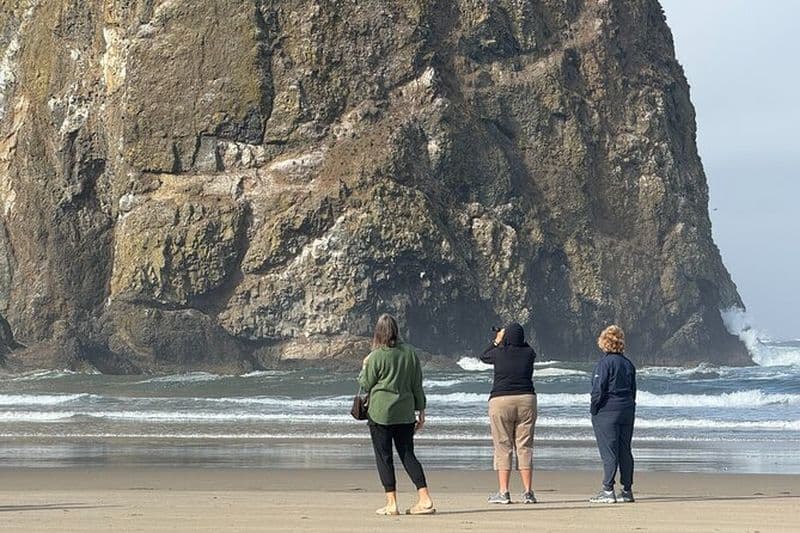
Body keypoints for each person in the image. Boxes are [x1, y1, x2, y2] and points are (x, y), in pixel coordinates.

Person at [358, 313, 435, 516]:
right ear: (396, 330)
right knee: (408, 454)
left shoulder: (376, 356)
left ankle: (391, 503)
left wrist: (364, 366)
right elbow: (417, 385)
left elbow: (365, 384)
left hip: (380, 413)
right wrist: (422, 411)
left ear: (378, 332)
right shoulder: (410, 354)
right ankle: (425, 497)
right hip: (405, 413)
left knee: (384, 457)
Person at [479, 322, 537, 505]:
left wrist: (497, 340)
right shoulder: (529, 353)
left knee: (503, 446)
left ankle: (504, 492)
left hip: (501, 399)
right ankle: (528, 492)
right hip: (526, 399)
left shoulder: (498, 353)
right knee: (524, 446)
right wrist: (512, 337)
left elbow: (483, 356)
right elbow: (525, 346)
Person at [588, 325, 637, 504]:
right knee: (625, 450)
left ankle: (608, 490)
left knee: (609, 451)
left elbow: (598, 390)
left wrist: (594, 408)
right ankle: (627, 490)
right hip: (627, 410)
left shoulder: (604, 364)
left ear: (604, 342)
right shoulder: (628, 364)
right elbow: (633, 391)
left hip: (607, 411)